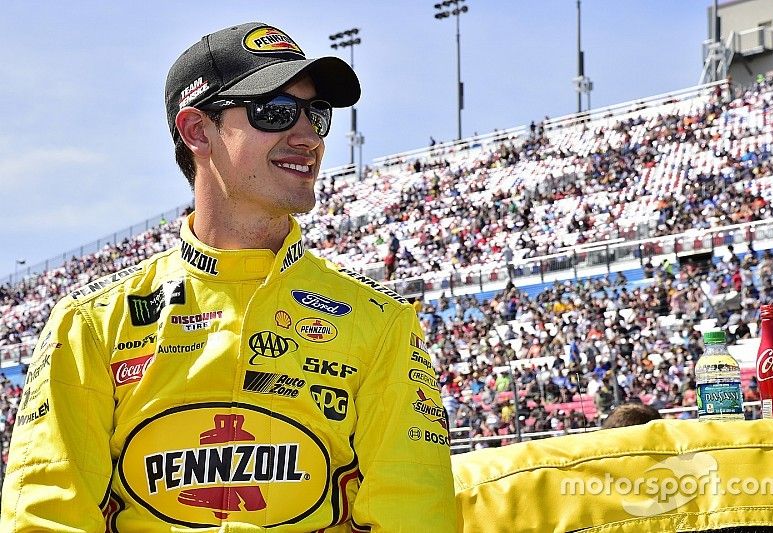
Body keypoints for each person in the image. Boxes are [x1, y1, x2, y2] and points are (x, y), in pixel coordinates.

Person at [1, 22, 456, 531]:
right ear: (197, 131)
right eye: (276, 112)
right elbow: (46, 519)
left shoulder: (382, 323)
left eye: (317, 114)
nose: (308, 137)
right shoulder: (90, 324)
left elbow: (415, 515)